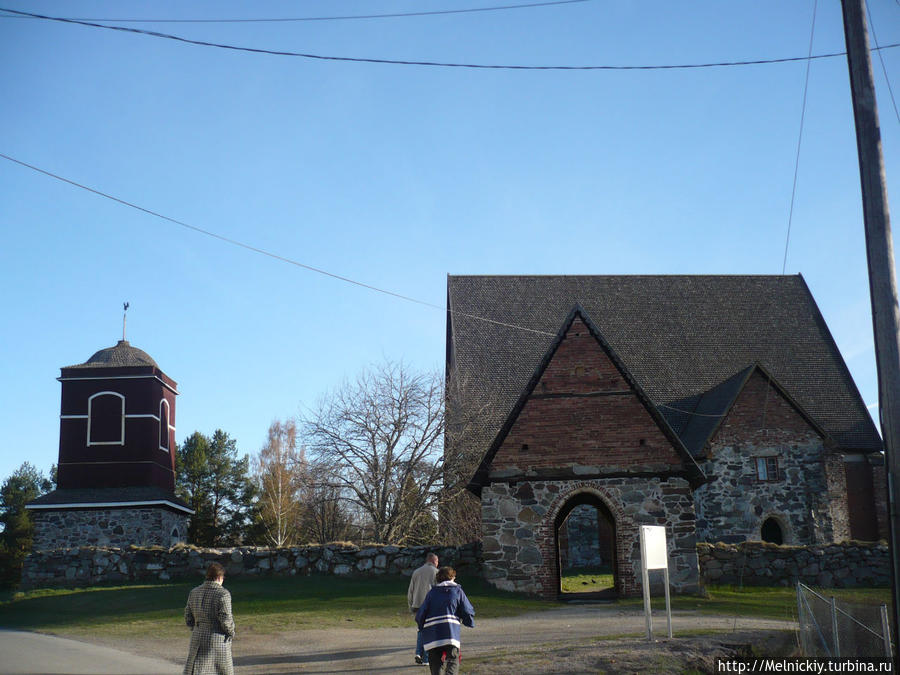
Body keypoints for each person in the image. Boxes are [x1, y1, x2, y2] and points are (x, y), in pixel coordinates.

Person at [415, 566, 475, 675]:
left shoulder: (432, 593)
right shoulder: (457, 591)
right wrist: (469, 622)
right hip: (451, 633)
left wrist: (421, 626)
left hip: (433, 634)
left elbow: (421, 613)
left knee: (435, 663)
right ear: (452, 577)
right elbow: (467, 610)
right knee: (453, 660)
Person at [184, 562, 235, 675]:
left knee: (197, 670)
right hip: (217, 640)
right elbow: (226, 620)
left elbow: (188, 617)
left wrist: (196, 627)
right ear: (219, 577)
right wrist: (231, 633)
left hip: (197, 636)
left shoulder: (194, 592)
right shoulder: (223, 594)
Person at [408, 552, 439, 665]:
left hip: (417, 606)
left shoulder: (416, 572)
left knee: (421, 630)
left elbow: (410, 591)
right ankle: (426, 658)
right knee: (429, 631)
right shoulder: (436, 573)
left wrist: (410, 606)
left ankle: (418, 652)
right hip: (430, 606)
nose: (437, 564)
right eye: (437, 562)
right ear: (433, 561)